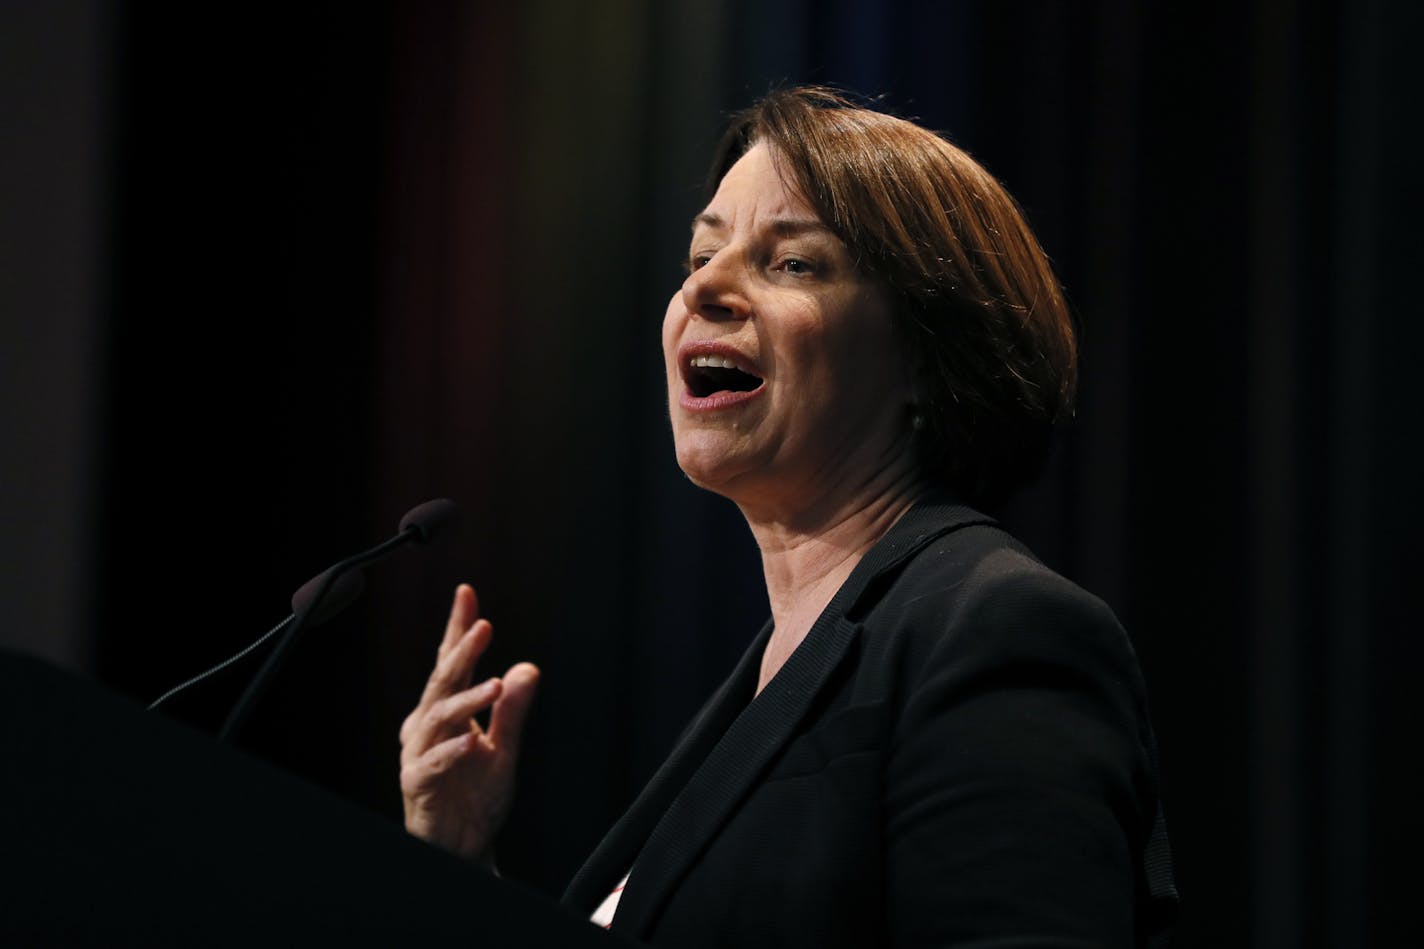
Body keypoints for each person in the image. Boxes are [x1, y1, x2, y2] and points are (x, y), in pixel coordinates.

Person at [397, 86, 1177, 948]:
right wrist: (458, 870)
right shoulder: (764, 680)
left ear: (926, 352)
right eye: (700, 256)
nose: (707, 288)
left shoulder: (996, 628)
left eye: (793, 263)